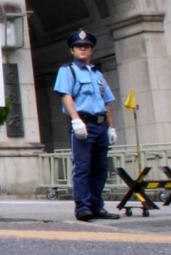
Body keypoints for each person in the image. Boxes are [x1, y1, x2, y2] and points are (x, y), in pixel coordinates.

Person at [53, 29, 119, 222]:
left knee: (100, 168)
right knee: (82, 168)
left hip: (100, 125)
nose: (82, 49)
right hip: (83, 124)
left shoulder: (97, 74)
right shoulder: (68, 71)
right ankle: (82, 207)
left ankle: (97, 206)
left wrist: (111, 128)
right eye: (78, 47)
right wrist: (76, 120)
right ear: (72, 50)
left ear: (91, 50)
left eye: (86, 46)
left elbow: (107, 102)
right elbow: (66, 96)